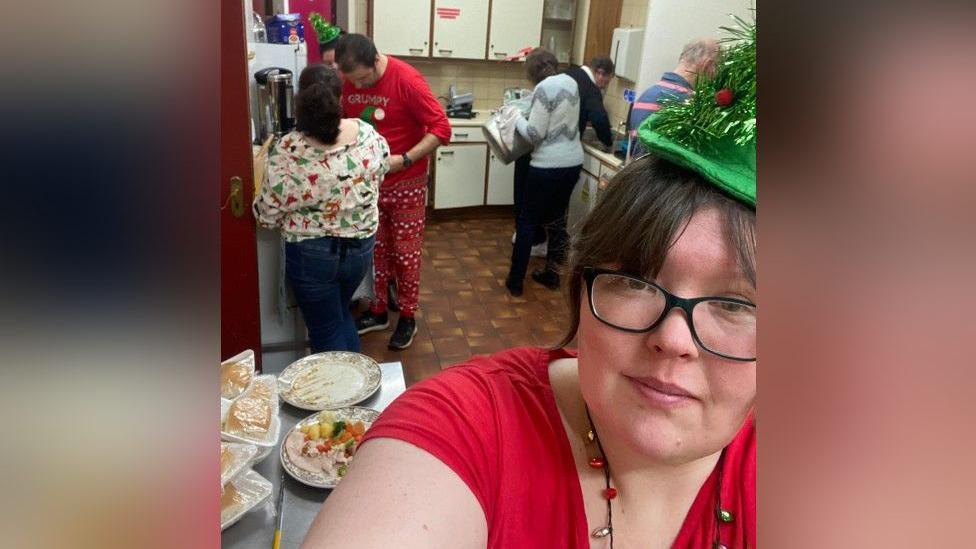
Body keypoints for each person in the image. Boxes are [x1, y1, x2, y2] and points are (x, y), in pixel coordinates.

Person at [301, 20, 756, 548]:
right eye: (633, 279)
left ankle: (513, 279)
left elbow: (521, 133)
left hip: (535, 166)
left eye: (734, 302)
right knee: (552, 229)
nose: (674, 340)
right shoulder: (476, 422)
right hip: (565, 169)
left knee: (521, 229)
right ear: (581, 288)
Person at [253, 64, 390, 353]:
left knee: (326, 332)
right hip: (360, 250)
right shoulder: (368, 135)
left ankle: (341, 396)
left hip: (312, 257)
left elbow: (266, 216)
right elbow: (381, 171)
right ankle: (356, 388)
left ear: (300, 100)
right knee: (341, 316)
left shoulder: (288, 148)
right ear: (340, 99)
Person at [336, 34, 452, 350]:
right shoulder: (350, 83)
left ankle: (408, 316)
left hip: (408, 183)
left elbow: (442, 128)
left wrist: (406, 159)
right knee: (377, 252)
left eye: (362, 79)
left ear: (375, 61)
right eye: (352, 82)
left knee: (406, 254)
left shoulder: (407, 80)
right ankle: (378, 311)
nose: (357, 88)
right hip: (371, 185)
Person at [505, 48, 584, 297]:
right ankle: (552, 274)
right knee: (557, 220)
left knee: (527, 221)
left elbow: (534, 134)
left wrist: (515, 116)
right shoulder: (571, 81)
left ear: (532, 71)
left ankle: (515, 281)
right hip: (572, 162)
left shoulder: (543, 89)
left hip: (546, 165)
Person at [627, 38, 720, 157]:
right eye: (717, 71)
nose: (715, 79)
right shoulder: (690, 103)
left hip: (638, 173)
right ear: (708, 65)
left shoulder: (645, 96)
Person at [565, 55, 616, 147]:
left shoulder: (569, 73)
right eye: (607, 81)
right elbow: (599, 119)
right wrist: (608, 142)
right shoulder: (591, 89)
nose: (604, 86)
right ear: (600, 74)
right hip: (568, 144)